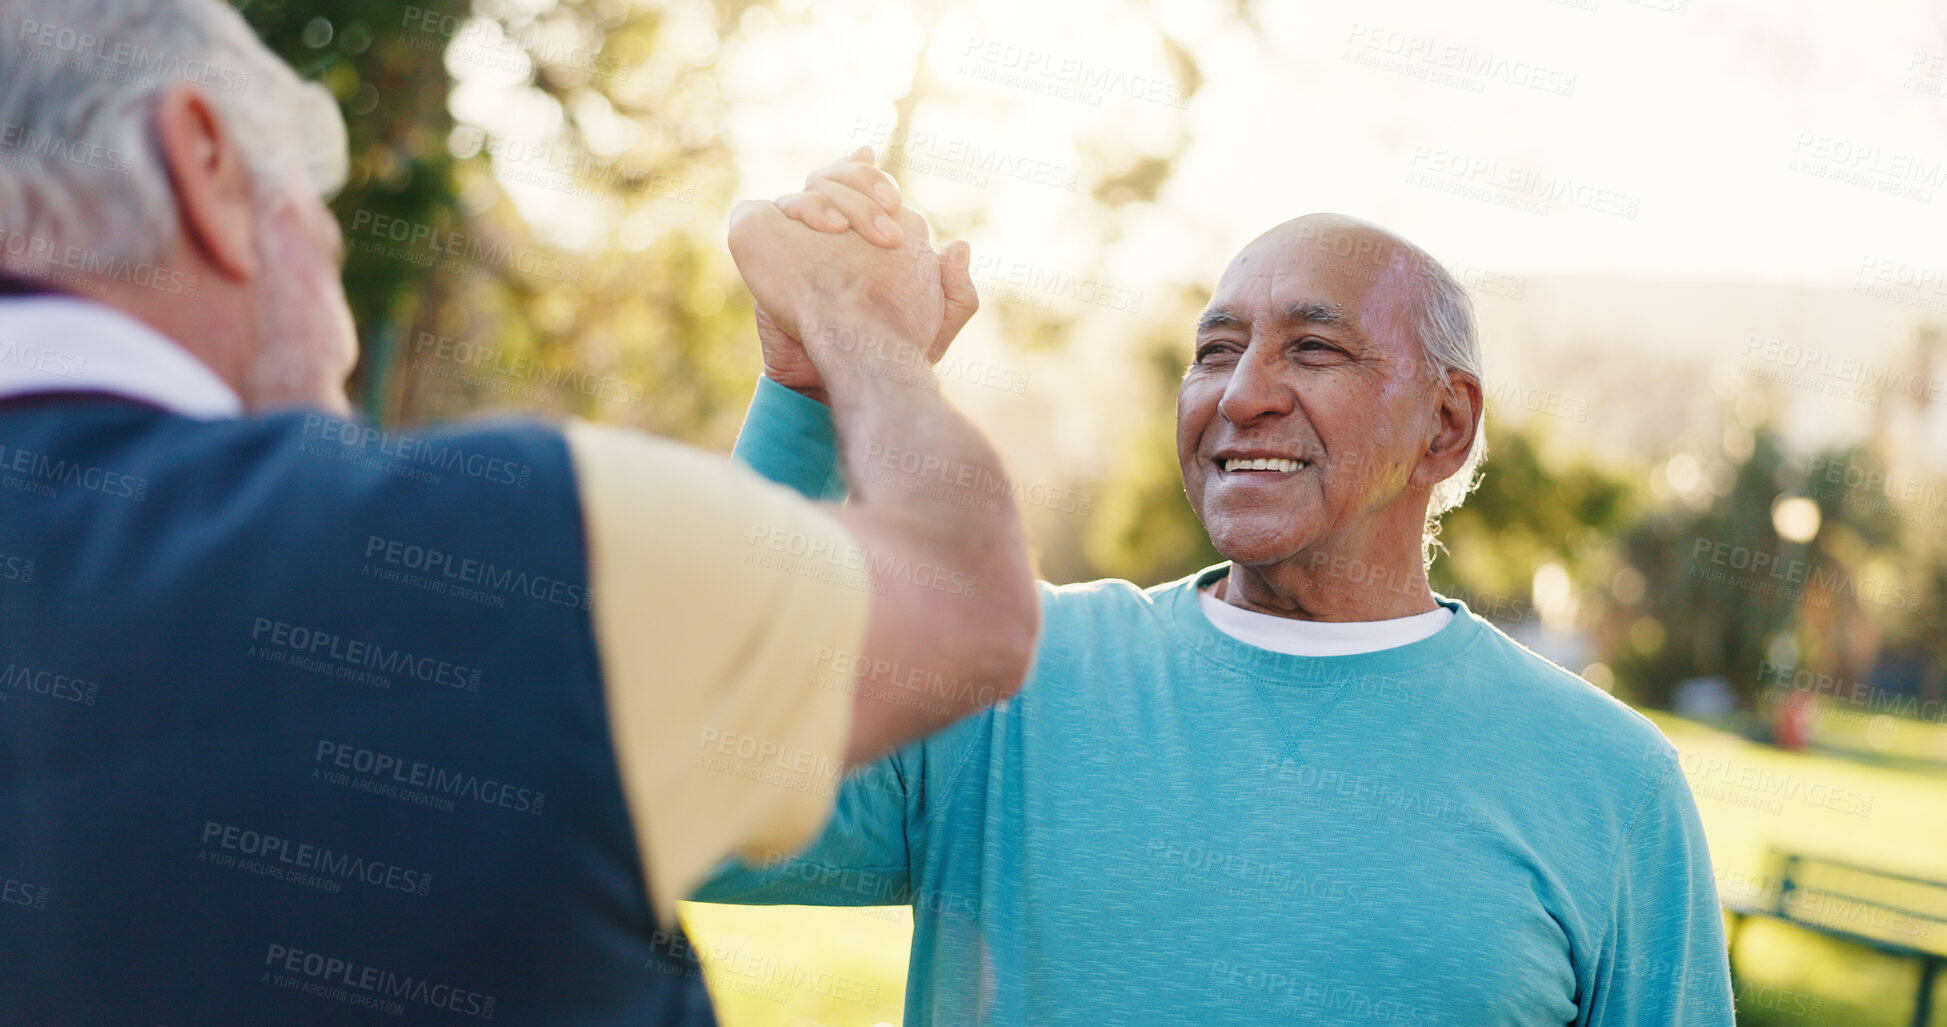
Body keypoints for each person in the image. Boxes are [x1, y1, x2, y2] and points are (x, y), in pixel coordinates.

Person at [0, 0, 1036, 1022]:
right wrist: (859, 323)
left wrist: (806, 391)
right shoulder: (498, 548)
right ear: (207, 164)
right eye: (313, 222)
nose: (345, 331)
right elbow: (964, 602)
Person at [697, 160, 1737, 1025]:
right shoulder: (1008, 679)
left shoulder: (1614, 785)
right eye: (1217, 351)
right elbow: (674, 788)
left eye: (1314, 348)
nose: (1242, 395)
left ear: (1446, 425)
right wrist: (814, 383)